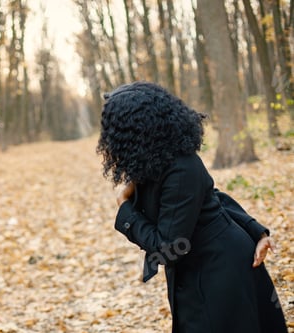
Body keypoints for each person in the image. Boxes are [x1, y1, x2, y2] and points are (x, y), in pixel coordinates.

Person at [96, 82, 287, 333]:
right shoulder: (154, 162)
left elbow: (169, 248)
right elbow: (211, 196)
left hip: (219, 271)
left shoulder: (181, 168)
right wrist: (256, 230)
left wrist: (125, 210)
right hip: (199, 270)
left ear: (135, 130)